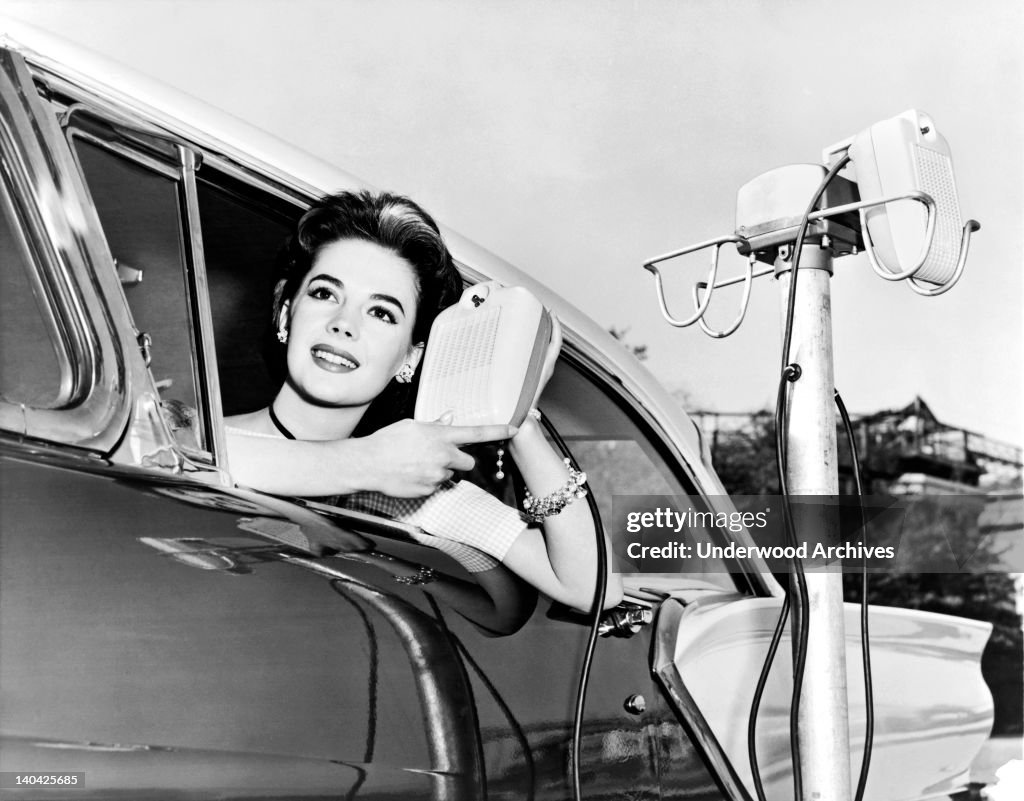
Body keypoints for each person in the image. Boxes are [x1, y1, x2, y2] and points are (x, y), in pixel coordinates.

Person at [225, 190, 622, 612]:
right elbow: (184, 458)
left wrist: (518, 416)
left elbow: (591, 589)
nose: (343, 324)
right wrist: (368, 463)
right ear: (286, 313)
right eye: (325, 294)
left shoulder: (412, 491)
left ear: (411, 358)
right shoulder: (179, 430)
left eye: (381, 313)